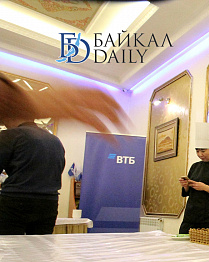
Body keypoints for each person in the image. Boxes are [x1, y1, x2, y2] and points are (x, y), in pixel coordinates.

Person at [0, 73, 127, 235]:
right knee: (40, 246)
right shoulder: (55, 140)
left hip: (15, 202)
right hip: (49, 202)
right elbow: (59, 168)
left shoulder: (9, 135)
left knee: (8, 246)